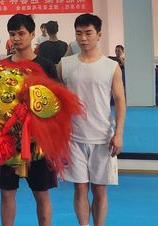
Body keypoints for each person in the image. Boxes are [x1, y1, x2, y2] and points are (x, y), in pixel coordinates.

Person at [59, 13, 126, 226]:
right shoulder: (65, 64)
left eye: (88, 33)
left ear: (99, 34)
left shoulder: (111, 66)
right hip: (73, 137)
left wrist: (119, 134)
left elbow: (120, 100)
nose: (83, 38)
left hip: (103, 137)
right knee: (79, 187)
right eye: (79, 33)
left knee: (99, 189)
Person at [0, 14, 60, 226]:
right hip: (6, 141)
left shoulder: (46, 66)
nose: (16, 38)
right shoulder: (1, 67)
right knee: (6, 193)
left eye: (21, 33)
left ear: (32, 34)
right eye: (12, 34)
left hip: (38, 142)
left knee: (41, 193)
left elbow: (57, 104)